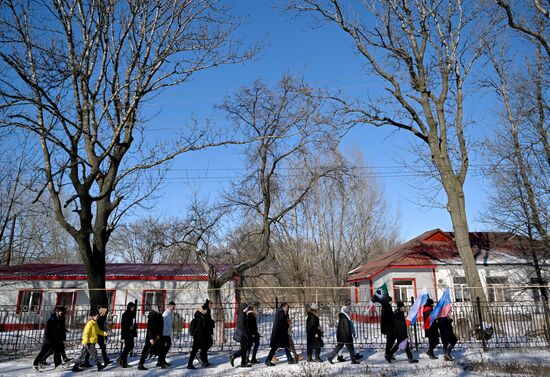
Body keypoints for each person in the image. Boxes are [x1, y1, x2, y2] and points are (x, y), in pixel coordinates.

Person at [32, 306, 64, 371]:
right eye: (61, 311)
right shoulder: (52, 320)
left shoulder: (59, 319)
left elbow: (59, 330)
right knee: (43, 352)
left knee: (56, 351)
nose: (62, 313)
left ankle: (58, 365)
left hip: (55, 338)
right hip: (48, 339)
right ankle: (35, 364)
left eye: (62, 312)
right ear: (56, 312)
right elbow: (48, 331)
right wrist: (49, 339)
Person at [229, 303, 252, 368]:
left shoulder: (243, 314)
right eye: (246, 307)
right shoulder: (242, 315)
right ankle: (233, 356)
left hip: (243, 333)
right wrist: (246, 334)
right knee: (244, 348)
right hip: (243, 334)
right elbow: (242, 326)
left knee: (244, 348)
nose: (247, 308)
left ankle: (243, 362)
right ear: (243, 308)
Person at [187, 304, 209, 369]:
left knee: (200, 350)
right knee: (195, 351)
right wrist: (201, 338)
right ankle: (190, 364)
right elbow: (199, 329)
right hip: (198, 337)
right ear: (203, 310)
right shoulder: (199, 317)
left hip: (198, 337)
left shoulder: (200, 316)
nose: (206, 311)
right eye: (205, 310)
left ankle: (203, 362)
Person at [118, 302, 137, 368]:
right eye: (132, 307)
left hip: (131, 333)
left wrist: (134, 327)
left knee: (130, 346)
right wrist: (129, 327)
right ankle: (123, 362)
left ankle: (121, 359)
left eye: (133, 307)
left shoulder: (132, 314)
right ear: (129, 307)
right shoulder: (125, 314)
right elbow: (123, 324)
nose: (133, 308)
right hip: (126, 333)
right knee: (128, 346)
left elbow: (133, 322)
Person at [381, 296, 396, 362]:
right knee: (390, 341)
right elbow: (388, 317)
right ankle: (387, 354)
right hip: (388, 327)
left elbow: (390, 315)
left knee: (391, 340)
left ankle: (389, 353)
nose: (391, 302)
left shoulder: (387, 306)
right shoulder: (386, 307)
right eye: (390, 301)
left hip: (389, 327)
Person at [200, 299, 215, 367]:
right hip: (204, 331)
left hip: (208, 331)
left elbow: (207, 320)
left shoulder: (209, 310)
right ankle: (203, 360)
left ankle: (204, 360)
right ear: (207, 304)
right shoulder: (205, 309)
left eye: (212, 304)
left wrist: (211, 322)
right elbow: (198, 310)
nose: (211, 305)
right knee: (207, 344)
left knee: (208, 344)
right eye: (210, 304)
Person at [161, 301, 176, 367]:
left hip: (167, 333)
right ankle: (161, 361)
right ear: (170, 306)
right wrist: (165, 332)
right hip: (164, 333)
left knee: (167, 345)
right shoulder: (166, 313)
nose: (174, 307)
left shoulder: (169, 313)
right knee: (165, 346)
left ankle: (161, 360)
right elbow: (163, 324)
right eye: (173, 306)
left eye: (174, 306)